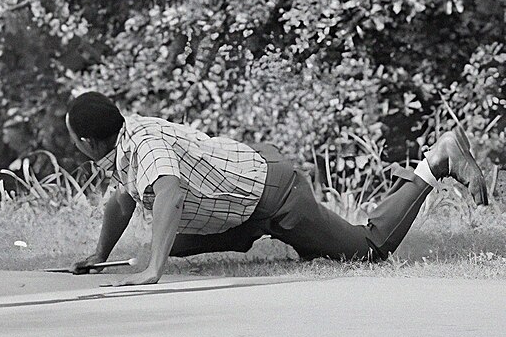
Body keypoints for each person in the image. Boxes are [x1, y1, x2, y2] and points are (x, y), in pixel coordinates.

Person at [65, 92, 488, 286]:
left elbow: (171, 194)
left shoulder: (144, 144)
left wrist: (151, 272)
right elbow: (121, 199)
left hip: (274, 195)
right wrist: (101, 255)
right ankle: (265, 236)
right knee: (168, 242)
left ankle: (436, 162)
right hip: (247, 187)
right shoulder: (125, 138)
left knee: (369, 248)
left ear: (87, 141)